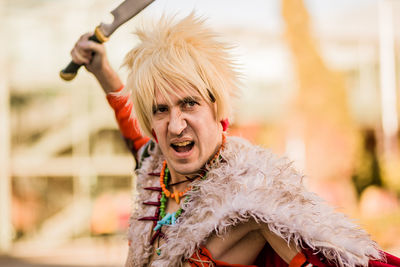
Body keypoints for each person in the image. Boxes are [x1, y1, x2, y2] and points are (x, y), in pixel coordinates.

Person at [70, 13, 400, 267]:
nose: (175, 125)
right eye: (160, 110)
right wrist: (103, 71)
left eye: (189, 103)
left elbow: (338, 253)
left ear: (218, 108)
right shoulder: (154, 168)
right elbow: (133, 129)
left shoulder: (255, 193)